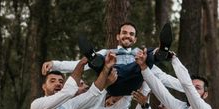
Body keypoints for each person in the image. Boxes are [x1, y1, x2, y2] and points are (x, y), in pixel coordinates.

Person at [42, 22, 183, 96]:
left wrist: (189, 89)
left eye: (131, 34)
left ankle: (161, 52)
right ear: (118, 36)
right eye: (124, 33)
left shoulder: (139, 54)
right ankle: (93, 58)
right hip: (113, 82)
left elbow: (162, 77)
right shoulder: (108, 52)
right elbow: (79, 65)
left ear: (135, 39)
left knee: (146, 58)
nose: (127, 36)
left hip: (133, 82)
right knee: (101, 61)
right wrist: (54, 64)